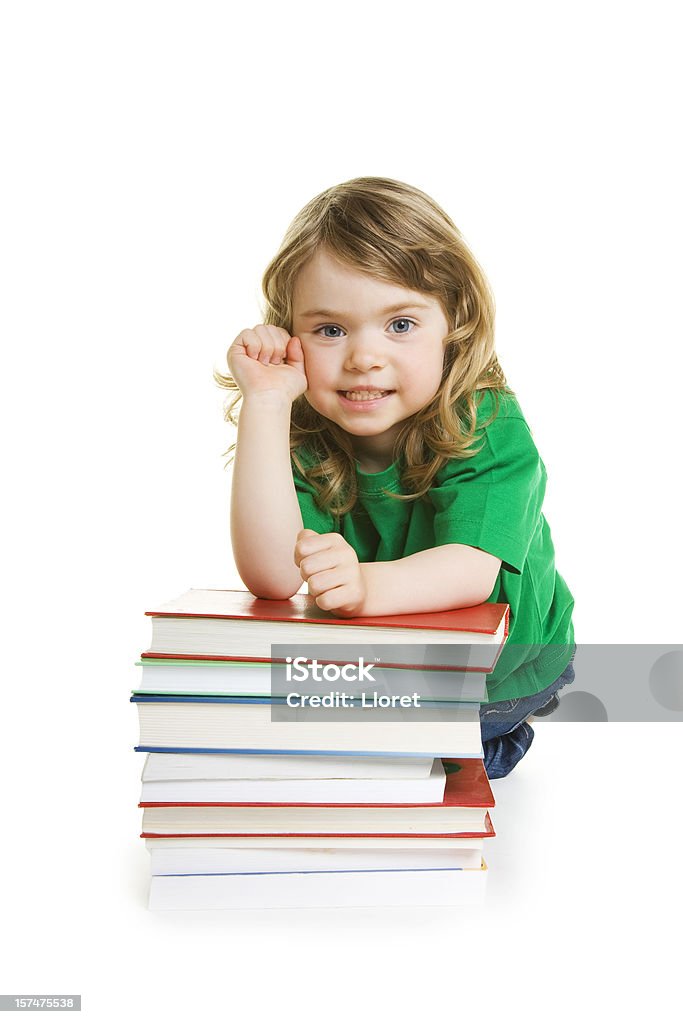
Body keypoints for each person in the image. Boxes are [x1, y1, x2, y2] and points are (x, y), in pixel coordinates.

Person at [216, 176, 575, 779]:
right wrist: (268, 404)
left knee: (411, 751)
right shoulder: (304, 432)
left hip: (511, 662)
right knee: (315, 732)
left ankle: (504, 732)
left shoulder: (485, 421)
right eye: (330, 330)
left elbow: (471, 566)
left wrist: (363, 587)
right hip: (395, 652)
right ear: (292, 336)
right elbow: (273, 578)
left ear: (453, 326)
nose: (362, 357)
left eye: (400, 325)